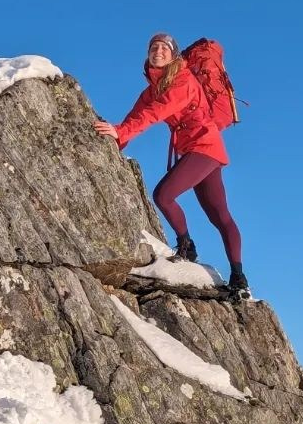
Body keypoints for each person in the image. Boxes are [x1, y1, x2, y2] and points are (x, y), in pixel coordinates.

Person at [94, 32, 248, 299]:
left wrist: (122, 131)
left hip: (205, 148)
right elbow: (135, 116)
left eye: (165, 48)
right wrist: (115, 141)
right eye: (154, 47)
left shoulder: (183, 81)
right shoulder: (152, 89)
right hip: (195, 150)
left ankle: (198, 253)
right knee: (218, 215)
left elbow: (156, 113)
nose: (158, 51)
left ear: (174, 55)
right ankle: (237, 276)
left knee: (165, 196)